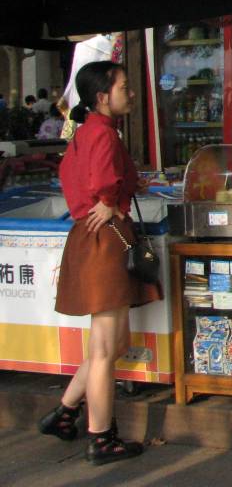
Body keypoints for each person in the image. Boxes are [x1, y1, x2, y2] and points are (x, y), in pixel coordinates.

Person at [38, 61, 161, 465]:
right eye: (125, 87)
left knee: (113, 343)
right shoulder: (104, 134)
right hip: (104, 243)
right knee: (106, 349)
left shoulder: (87, 132)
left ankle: (65, 413)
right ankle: (102, 438)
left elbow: (77, 175)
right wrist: (109, 200)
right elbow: (101, 183)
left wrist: (125, 188)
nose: (131, 93)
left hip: (94, 240)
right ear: (103, 96)